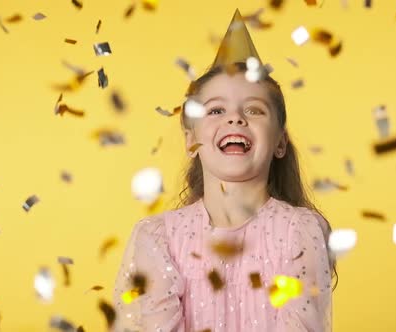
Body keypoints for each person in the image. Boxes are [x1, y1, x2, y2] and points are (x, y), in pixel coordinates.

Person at [113, 9, 336, 332]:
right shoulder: (157, 238)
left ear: (279, 142)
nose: (235, 119)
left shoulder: (299, 232)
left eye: (254, 110)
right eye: (216, 109)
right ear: (191, 140)